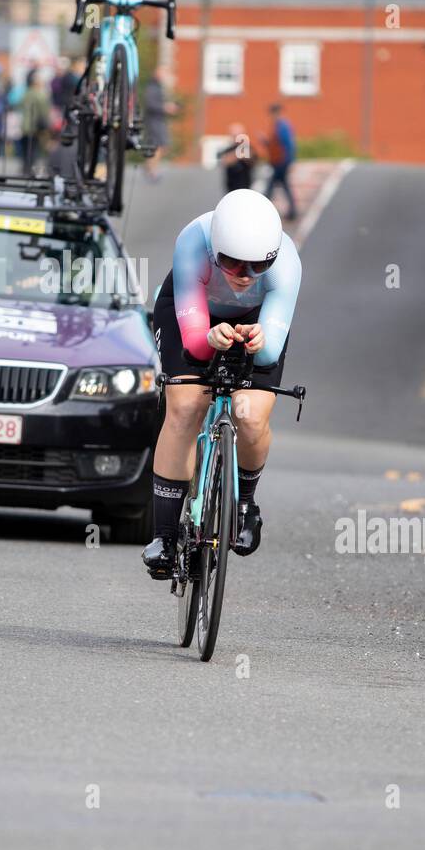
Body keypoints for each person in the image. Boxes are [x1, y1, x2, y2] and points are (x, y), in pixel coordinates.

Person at [142, 189, 301, 579]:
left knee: (249, 414)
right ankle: (163, 535)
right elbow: (196, 343)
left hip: (257, 318)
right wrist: (209, 337)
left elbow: (266, 355)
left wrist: (258, 338)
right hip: (191, 311)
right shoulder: (193, 242)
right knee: (186, 406)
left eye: (257, 267)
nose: (244, 275)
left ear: (272, 259)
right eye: (231, 262)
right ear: (215, 251)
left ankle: (245, 505)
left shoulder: (288, 265)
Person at [142, 65, 179, 180]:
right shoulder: (152, 87)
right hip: (154, 120)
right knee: (158, 145)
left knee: (161, 145)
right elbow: (150, 104)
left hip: (158, 120)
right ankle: (151, 169)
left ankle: (150, 167)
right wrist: (165, 107)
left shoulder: (157, 87)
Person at [263, 103, 298, 221]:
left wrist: (290, 161)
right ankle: (292, 211)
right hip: (278, 161)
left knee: (271, 186)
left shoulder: (282, 126)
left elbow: (288, 144)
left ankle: (263, 209)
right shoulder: (277, 125)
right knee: (281, 186)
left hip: (281, 162)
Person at [19, 67, 52, 174]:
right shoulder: (40, 95)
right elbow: (44, 111)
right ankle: (30, 169)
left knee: (25, 150)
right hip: (34, 126)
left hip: (25, 125)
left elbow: (20, 105)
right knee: (33, 149)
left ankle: (25, 168)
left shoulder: (26, 93)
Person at [216, 121, 255, 193]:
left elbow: (251, 159)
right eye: (233, 135)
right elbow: (225, 161)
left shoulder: (248, 148)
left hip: (245, 187)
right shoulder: (228, 150)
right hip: (231, 187)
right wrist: (238, 155)